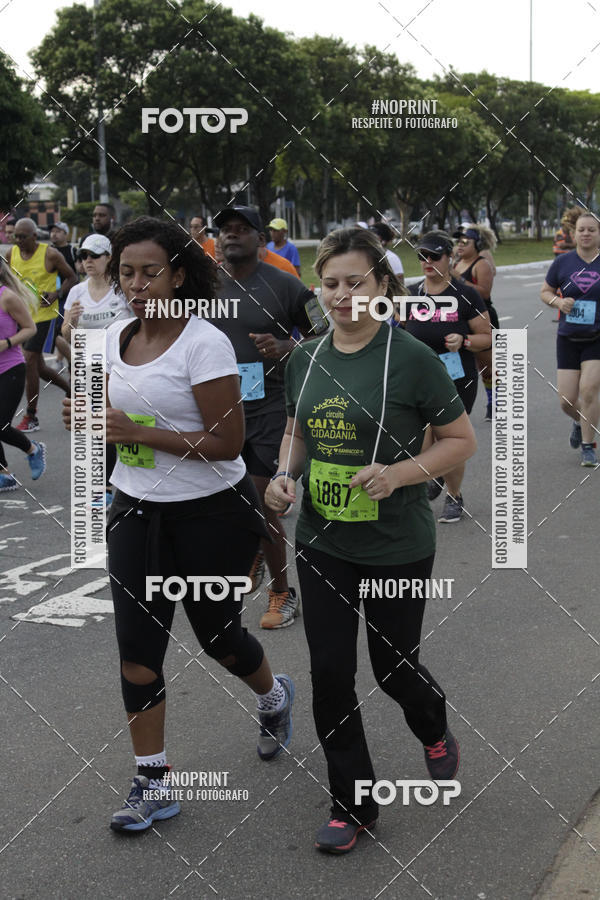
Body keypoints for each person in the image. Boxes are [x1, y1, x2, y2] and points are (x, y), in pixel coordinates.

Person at [62, 216, 294, 832]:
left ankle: (274, 696)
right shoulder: (113, 337)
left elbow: (227, 444)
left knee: (219, 639)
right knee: (138, 652)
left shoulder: (204, 343)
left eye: (150, 272)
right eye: (127, 273)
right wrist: (85, 416)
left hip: (211, 513)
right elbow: (109, 413)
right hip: (134, 510)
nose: (137, 284)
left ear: (180, 274)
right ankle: (153, 780)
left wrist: (138, 432)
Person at [265, 227, 476, 853]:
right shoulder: (305, 356)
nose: (341, 295)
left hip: (397, 545)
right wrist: (283, 476)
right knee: (330, 672)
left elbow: (461, 441)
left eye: (355, 282)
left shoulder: (411, 357)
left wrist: (398, 474)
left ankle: (433, 726)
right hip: (322, 543)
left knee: (393, 668)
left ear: (383, 285)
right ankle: (352, 803)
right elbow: (298, 433)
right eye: (330, 284)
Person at [207, 206, 328, 629]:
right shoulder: (204, 287)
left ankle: (282, 593)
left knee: (260, 503)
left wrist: (286, 347)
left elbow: (325, 332)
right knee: (231, 507)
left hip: (270, 411)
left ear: (261, 239)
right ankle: (256, 550)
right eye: (225, 230)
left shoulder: (285, 285)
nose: (232, 236)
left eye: (242, 230)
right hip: (218, 411)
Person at [406, 232, 491, 521]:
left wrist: (465, 340)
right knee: (423, 437)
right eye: (422, 256)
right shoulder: (412, 294)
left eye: (434, 256)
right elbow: (400, 334)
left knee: (451, 438)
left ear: (449, 258)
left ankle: (455, 496)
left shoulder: (466, 294)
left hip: (457, 377)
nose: (427, 261)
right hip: (419, 380)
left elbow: (487, 337)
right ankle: (436, 474)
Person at [62, 234, 132, 507]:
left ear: (109, 258)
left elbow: (139, 325)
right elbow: (67, 335)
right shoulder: (76, 292)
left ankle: (108, 484)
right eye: (83, 256)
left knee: (111, 421)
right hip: (87, 364)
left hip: (118, 365)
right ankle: (102, 482)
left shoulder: (121, 289)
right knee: (91, 424)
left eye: (94, 255)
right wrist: (73, 322)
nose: (87, 261)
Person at [541, 212, 600, 466]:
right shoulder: (563, 262)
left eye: (592, 230)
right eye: (581, 229)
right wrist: (558, 301)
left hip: (597, 338)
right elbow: (545, 291)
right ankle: (580, 420)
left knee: (588, 391)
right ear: (574, 233)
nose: (586, 234)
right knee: (566, 400)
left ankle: (589, 446)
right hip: (567, 337)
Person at [7, 218, 77, 432]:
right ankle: (71, 390)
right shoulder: (11, 254)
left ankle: (31, 416)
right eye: (16, 236)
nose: (18, 240)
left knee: (28, 361)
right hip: (22, 318)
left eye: (23, 237)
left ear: (34, 236)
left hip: (45, 317)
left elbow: (72, 277)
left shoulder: (50, 254)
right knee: (38, 367)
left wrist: (57, 293)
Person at [0, 258, 47, 491]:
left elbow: (31, 328)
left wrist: (7, 342)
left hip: (10, 368)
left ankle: (33, 449)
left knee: (0, 425)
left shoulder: (7, 296)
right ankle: (4, 474)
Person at [452, 225, 498, 420]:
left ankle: (495, 402)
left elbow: (484, 293)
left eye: (465, 242)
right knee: (459, 365)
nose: (460, 245)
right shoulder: (455, 263)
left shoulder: (481, 265)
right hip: (460, 317)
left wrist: (458, 279)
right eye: (458, 241)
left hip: (482, 316)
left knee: (487, 365)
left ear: (477, 244)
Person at [369, 222, 405, 288]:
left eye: (373, 235)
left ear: (383, 240)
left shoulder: (392, 258)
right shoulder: (366, 257)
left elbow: (400, 285)